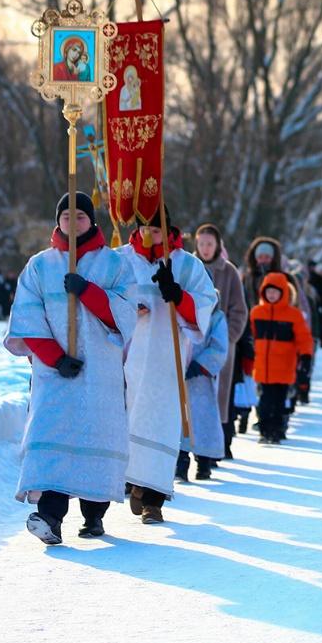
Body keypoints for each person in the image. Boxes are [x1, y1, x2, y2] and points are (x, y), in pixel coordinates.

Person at [5, 192, 137, 544]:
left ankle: (93, 517)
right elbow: (27, 318)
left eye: (81, 215)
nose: (73, 221)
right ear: (58, 220)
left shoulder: (114, 265)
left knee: (95, 437)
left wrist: (90, 292)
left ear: (92, 221)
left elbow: (126, 316)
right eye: (67, 215)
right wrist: (55, 358)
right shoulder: (39, 266)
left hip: (99, 375)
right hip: (55, 376)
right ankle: (49, 517)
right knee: (53, 442)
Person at [118, 205, 217, 524]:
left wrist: (178, 295)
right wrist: (130, 307)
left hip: (167, 357)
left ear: (168, 228)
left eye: (156, 227)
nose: (150, 233)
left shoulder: (187, 265)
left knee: (162, 422)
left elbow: (204, 305)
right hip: (129, 357)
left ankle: (155, 498)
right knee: (130, 420)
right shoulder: (121, 259)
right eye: (144, 227)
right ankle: (134, 483)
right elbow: (105, 298)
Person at [194, 224, 248, 465]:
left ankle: (218, 447)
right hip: (192, 341)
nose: (205, 249)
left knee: (218, 396)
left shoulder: (229, 272)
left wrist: (229, 337)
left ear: (217, 245)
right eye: (202, 243)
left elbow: (240, 309)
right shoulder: (189, 266)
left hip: (220, 342)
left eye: (209, 244)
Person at [249, 272, 314, 444]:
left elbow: (304, 337)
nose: (271, 294)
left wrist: (306, 356)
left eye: (275, 291)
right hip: (263, 366)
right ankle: (264, 430)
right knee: (264, 400)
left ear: (284, 293)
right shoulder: (256, 312)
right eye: (268, 291)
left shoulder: (293, 315)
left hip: (284, 366)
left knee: (279, 401)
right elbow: (251, 336)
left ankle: (277, 430)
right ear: (263, 292)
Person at [177, 306, 228, 482]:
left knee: (203, 420)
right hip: (177, 373)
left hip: (201, 378)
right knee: (179, 421)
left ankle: (204, 462)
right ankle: (181, 464)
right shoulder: (178, 308)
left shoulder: (215, 315)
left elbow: (219, 346)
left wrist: (200, 365)